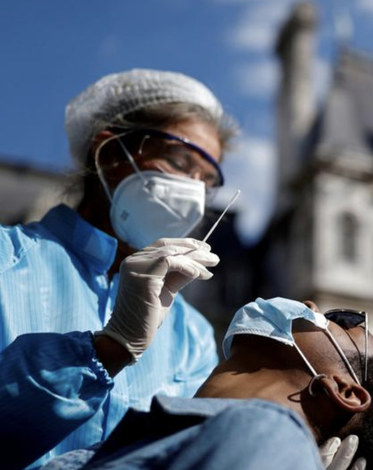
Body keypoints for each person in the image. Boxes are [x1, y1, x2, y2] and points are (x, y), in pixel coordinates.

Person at [0, 69, 236, 469]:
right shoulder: (7, 259)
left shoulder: (193, 334)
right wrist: (108, 349)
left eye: (207, 180)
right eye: (180, 161)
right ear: (110, 154)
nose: (195, 191)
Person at [43, 296, 373, 470]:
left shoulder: (265, 434)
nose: (312, 307)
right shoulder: (157, 433)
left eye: (343, 322)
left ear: (344, 390)